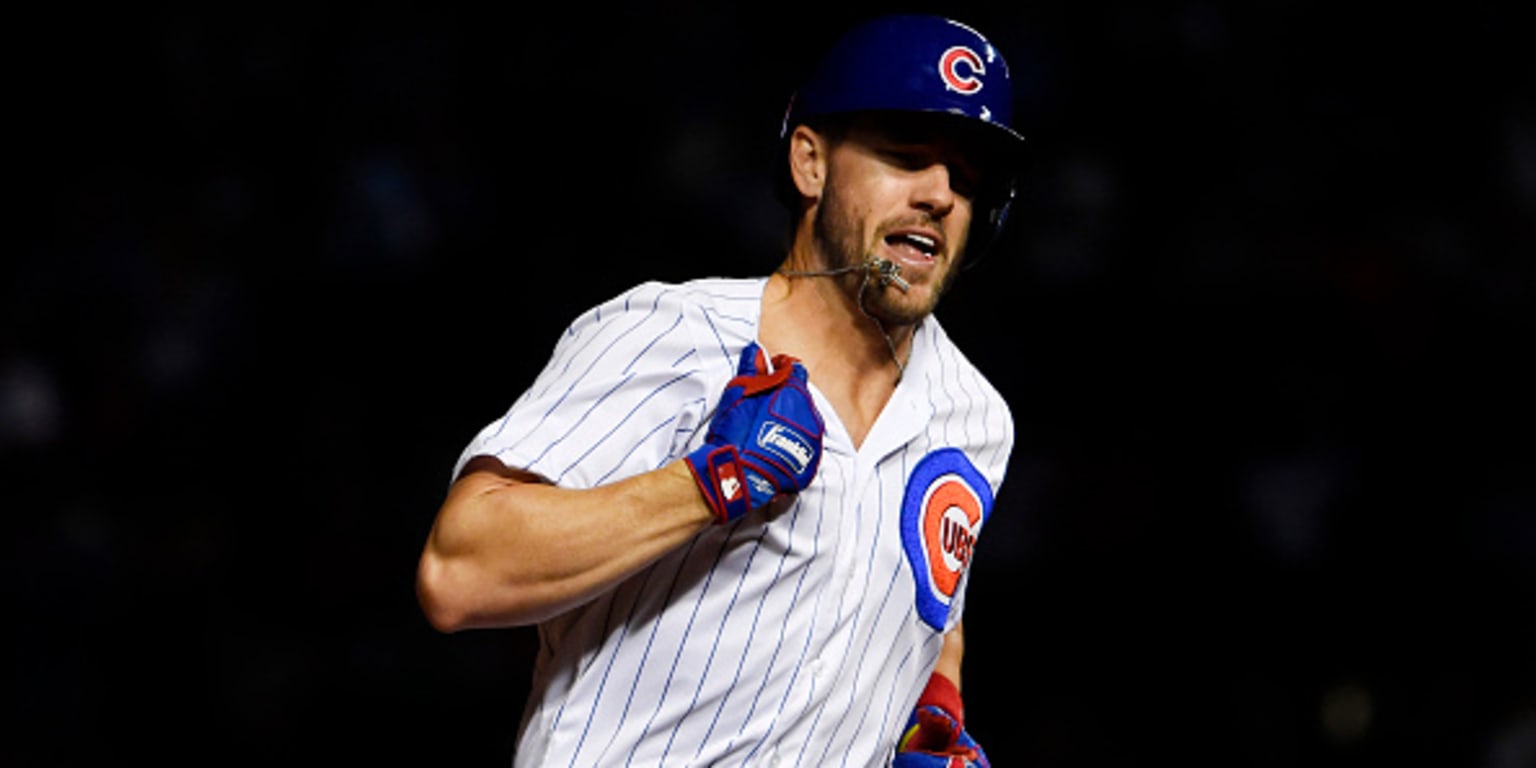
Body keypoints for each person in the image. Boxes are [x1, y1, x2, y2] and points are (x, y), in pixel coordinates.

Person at [416, 12, 1025, 766]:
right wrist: (705, 485)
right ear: (811, 162)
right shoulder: (674, 332)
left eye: (968, 179)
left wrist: (933, 708)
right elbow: (459, 570)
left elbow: (932, 606)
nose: (940, 194)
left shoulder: (976, 418)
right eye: (906, 157)